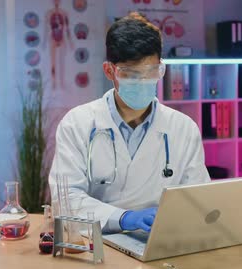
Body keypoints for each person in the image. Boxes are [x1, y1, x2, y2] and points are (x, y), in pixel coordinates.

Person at [49, 12, 209, 234]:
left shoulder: (183, 128)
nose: (142, 82)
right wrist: (124, 218)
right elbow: (66, 201)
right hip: (98, 243)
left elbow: (199, 199)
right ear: (109, 70)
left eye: (151, 71)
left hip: (160, 242)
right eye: (131, 74)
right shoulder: (77, 124)